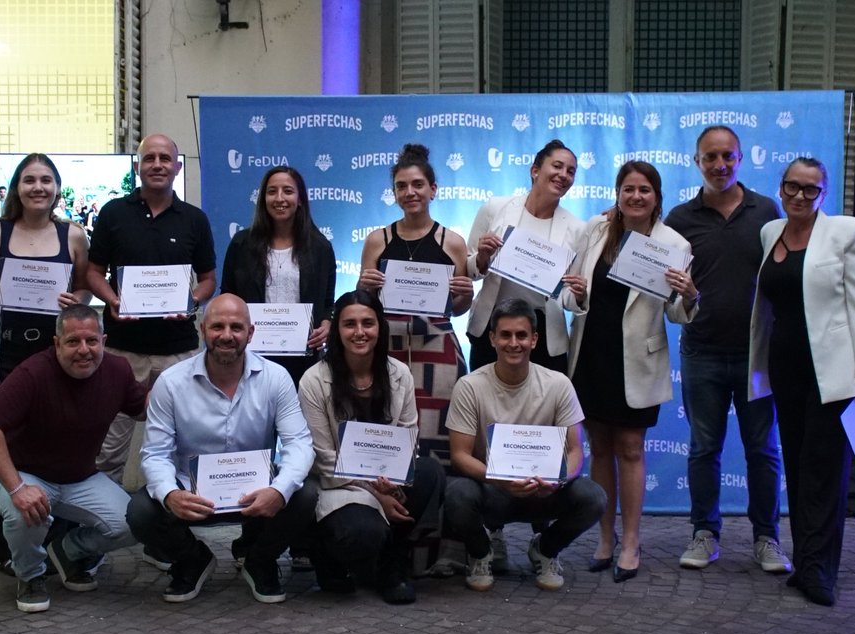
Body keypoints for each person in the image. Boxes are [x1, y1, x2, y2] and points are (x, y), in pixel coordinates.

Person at [126, 294, 317, 604]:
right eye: (217, 326)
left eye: (236, 327)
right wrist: (171, 495)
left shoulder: (276, 378)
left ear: (251, 333)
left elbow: (299, 444)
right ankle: (192, 559)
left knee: (304, 493)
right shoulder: (171, 383)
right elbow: (155, 453)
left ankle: (259, 560)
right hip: (192, 495)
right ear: (203, 329)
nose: (227, 336)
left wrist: (279, 491)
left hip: (257, 495)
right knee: (141, 512)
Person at [748, 157, 855, 607]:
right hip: (784, 369)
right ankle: (805, 562)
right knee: (800, 468)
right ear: (781, 188)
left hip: (835, 372)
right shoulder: (771, 233)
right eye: (792, 187)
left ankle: (821, 571)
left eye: (811, 189)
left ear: (824, 194)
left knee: (826, 472)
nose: (800, 196)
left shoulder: (846, 232)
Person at [563, 161, 698, 583]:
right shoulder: (596, 231)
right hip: (591, 354)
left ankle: (633, 541)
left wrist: (688, 294)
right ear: (617, 195)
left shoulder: (674, 243)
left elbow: (676, 314)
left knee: (631, 449)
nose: (636, 196)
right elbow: (570, 294)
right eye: (628, 189)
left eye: (644, 190)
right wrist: (576, 295)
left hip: (637, 359)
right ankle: (605, 537)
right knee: (599, 448)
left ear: (657, 197)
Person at [666, 126, 789, 573]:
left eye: (728, 157)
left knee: (763, 450)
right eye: (710, 157)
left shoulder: (767, 212)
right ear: (696, 162)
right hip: (701, 352)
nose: (720, 165)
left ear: (740, 159)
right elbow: (663, 283)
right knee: (703, 449)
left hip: (758, 353)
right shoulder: (679, 219)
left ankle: (767, 539)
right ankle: (705, 533)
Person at [0, 305, 146, 613]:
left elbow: (144, 409)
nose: (84, 350)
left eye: (92, 341)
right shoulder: (32, 373)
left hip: (81, 478)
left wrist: (183, 386)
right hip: (27, 475)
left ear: (104, 341)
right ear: (56, 343)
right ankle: (30, 576)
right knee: (24, 511)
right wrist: (16, 487)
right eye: (73, 342)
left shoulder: (118, 370)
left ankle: (68, 551)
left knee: (136, 522)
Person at [443, 298, 607, 592]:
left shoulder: (558, 384)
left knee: (593, 497)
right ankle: (482, 553)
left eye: (521, 335)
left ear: (535, 339)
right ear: (492, 338)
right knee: (456, 494)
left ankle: (545, 549)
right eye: (505, 335)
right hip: (493, 489)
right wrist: (501, 480)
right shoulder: (470, 386)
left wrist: (558, 480)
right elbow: (459, 456)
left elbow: (574, 451)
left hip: (544, 490)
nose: (513, 343)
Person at [0, 153, 92, 573]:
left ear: (57, 189)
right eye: (29, 180)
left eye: (46, 180)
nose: (38, 187)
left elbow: (83, 289)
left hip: (56, 357)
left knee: (57, 443)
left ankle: (59, 544)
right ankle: (8, 551)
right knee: (3, 449)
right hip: (5, 354)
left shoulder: (74, 235)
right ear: (16, 188)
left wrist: (74, 300)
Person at [86, 133, 216, 492]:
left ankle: (170, 530)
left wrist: (191, 302)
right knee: (109, 449)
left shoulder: (194, 219)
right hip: (121, 350)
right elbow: (93, 273)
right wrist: (113, 300)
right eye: (149, 158)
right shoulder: (113, 213)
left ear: (176, 167)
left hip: (179, 351)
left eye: (164, 158)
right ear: (138, 166)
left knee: (178, 445)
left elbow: (208, 280)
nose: (157, 164)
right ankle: (100, 532)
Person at [298, 290, 445, 604]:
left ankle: (392, 563)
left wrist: (393, 485)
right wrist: (378, 494)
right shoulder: (314, 380)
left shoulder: (400, 374)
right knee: (363, 533)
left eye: (368, 323)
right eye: (350, 324)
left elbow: (408, 438)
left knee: (431, 473)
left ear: (381, 327)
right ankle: (329, 558)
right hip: (340, 483)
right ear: (337, 329)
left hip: (387, 477)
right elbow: (324, 459)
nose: (360, 332)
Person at [357, 143, 473, 470]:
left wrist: (467, 295)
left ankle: (440, 507)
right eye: (401, 186)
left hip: (438, 349)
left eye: (417, 185)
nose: (410, 192)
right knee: (387, 424)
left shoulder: (452, 241)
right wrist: (364, 287)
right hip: (387, 348)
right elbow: (364, 303)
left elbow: (459, 307)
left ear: (433, 190)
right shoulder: (377, 240)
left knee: (438, 432)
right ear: (394, 193)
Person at [466, 139, 586, 374]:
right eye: (557, 166)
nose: (563, 175)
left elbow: (569, 298)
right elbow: (468, 269)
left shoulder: (577, 229)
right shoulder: (495, 208)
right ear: (535, 170)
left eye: (570, 171)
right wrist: (482, 256)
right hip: (492, 325)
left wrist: (579, 294)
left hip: (544, 333)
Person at [222, 165, 336, 385]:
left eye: (288, 191)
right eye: (272, 191)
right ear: (263, 198)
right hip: (252, 355)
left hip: (303, 357)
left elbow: (328, 303)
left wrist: (327, 324)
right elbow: (228, 294)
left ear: (300, 199)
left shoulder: (320, 248)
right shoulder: (241, 244)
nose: (279, 198)